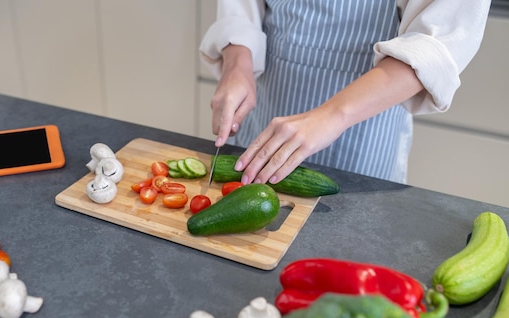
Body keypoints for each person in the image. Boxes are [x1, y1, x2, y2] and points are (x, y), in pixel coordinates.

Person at [199, 0, 491, 185]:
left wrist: (332, 115)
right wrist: (238, 63)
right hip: (268, 107)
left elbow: (435, 45)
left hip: (364, 140)